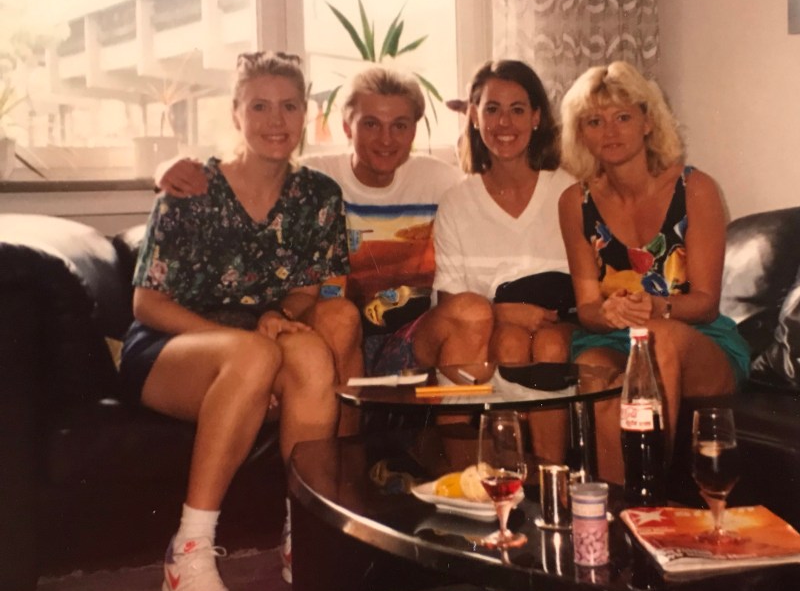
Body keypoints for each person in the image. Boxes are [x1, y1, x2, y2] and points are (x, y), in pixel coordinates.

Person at [122, 51, 361, 591]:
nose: (275, 120)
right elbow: (146, 303)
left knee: (310, 354)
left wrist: (279, 316)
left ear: (305, 115)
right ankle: (189, 550)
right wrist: (239, 342)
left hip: (259, 342)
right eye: (259, 107)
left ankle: (303, 531)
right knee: (255, 354)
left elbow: (310, 291)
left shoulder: (319, 197)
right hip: (172, 347)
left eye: (289, 106)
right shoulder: (190, 189)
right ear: (235, 114)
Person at [156, 65, 491, 376]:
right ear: (346, 126)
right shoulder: (315, 178)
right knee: (338, 315)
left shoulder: (439, 180)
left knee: (468, 310)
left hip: (410, 339)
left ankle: (458, 423)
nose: (386, 139)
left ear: (414, 129)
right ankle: (348, 422)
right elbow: (249, 169)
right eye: (370, 124)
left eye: (399, 125)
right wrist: (168, 170)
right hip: (331, 335)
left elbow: (491, 197)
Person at [558, 61, 751, 483]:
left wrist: (655, 307)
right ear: (580, 133)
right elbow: (586, 308)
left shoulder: (695, 189)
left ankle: (652, 494)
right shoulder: (575, 202)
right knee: (590, 366)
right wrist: (607, 312)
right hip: (614, 340)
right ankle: (617, 503)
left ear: (648, 122)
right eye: (594, 121)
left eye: (623, 117)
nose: (609, 131)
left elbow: (705, 304)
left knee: (656, 337)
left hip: (695, 339)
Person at [433, 59, 577, 463]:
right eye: (492, 109)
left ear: (536, 117)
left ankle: (550, 478)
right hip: (487, 332)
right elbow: (451, 307)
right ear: (474, 116)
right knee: (511, 343)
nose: (504, 123)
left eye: (517, 109)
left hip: (562, 325)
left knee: (548, 344)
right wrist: (502, 312)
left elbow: (589, 283)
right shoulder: (457, 202)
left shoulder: (567, 191)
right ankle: (496, 480)